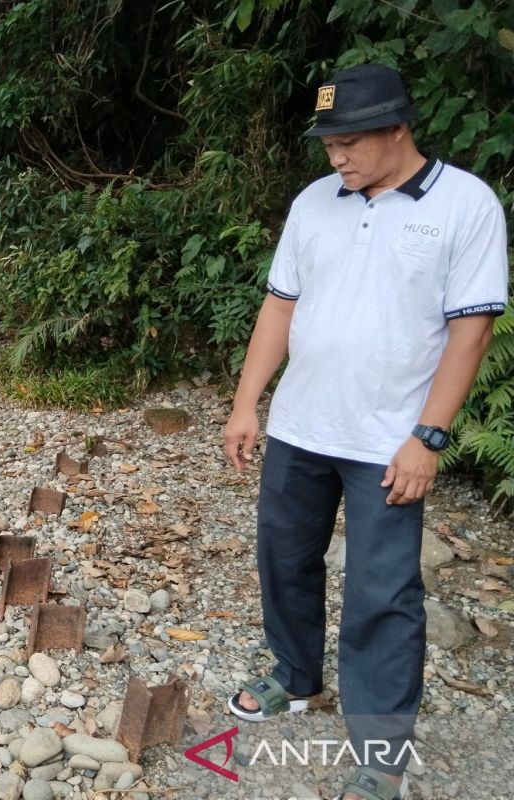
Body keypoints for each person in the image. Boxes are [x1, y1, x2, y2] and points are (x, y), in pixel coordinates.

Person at [221, 62, 509, 800]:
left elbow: (470, 332)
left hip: (389, 442)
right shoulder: (316, 202)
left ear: (398, 128)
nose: (336, 157)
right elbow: (280, 307)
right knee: (284, 560)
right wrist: (248, 402)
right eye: (327, 144)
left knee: (383, 594)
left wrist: (429, 437)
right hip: (301, 427)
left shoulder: (465, 205)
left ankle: (380, 751)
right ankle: (295, 674)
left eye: (349, 142)